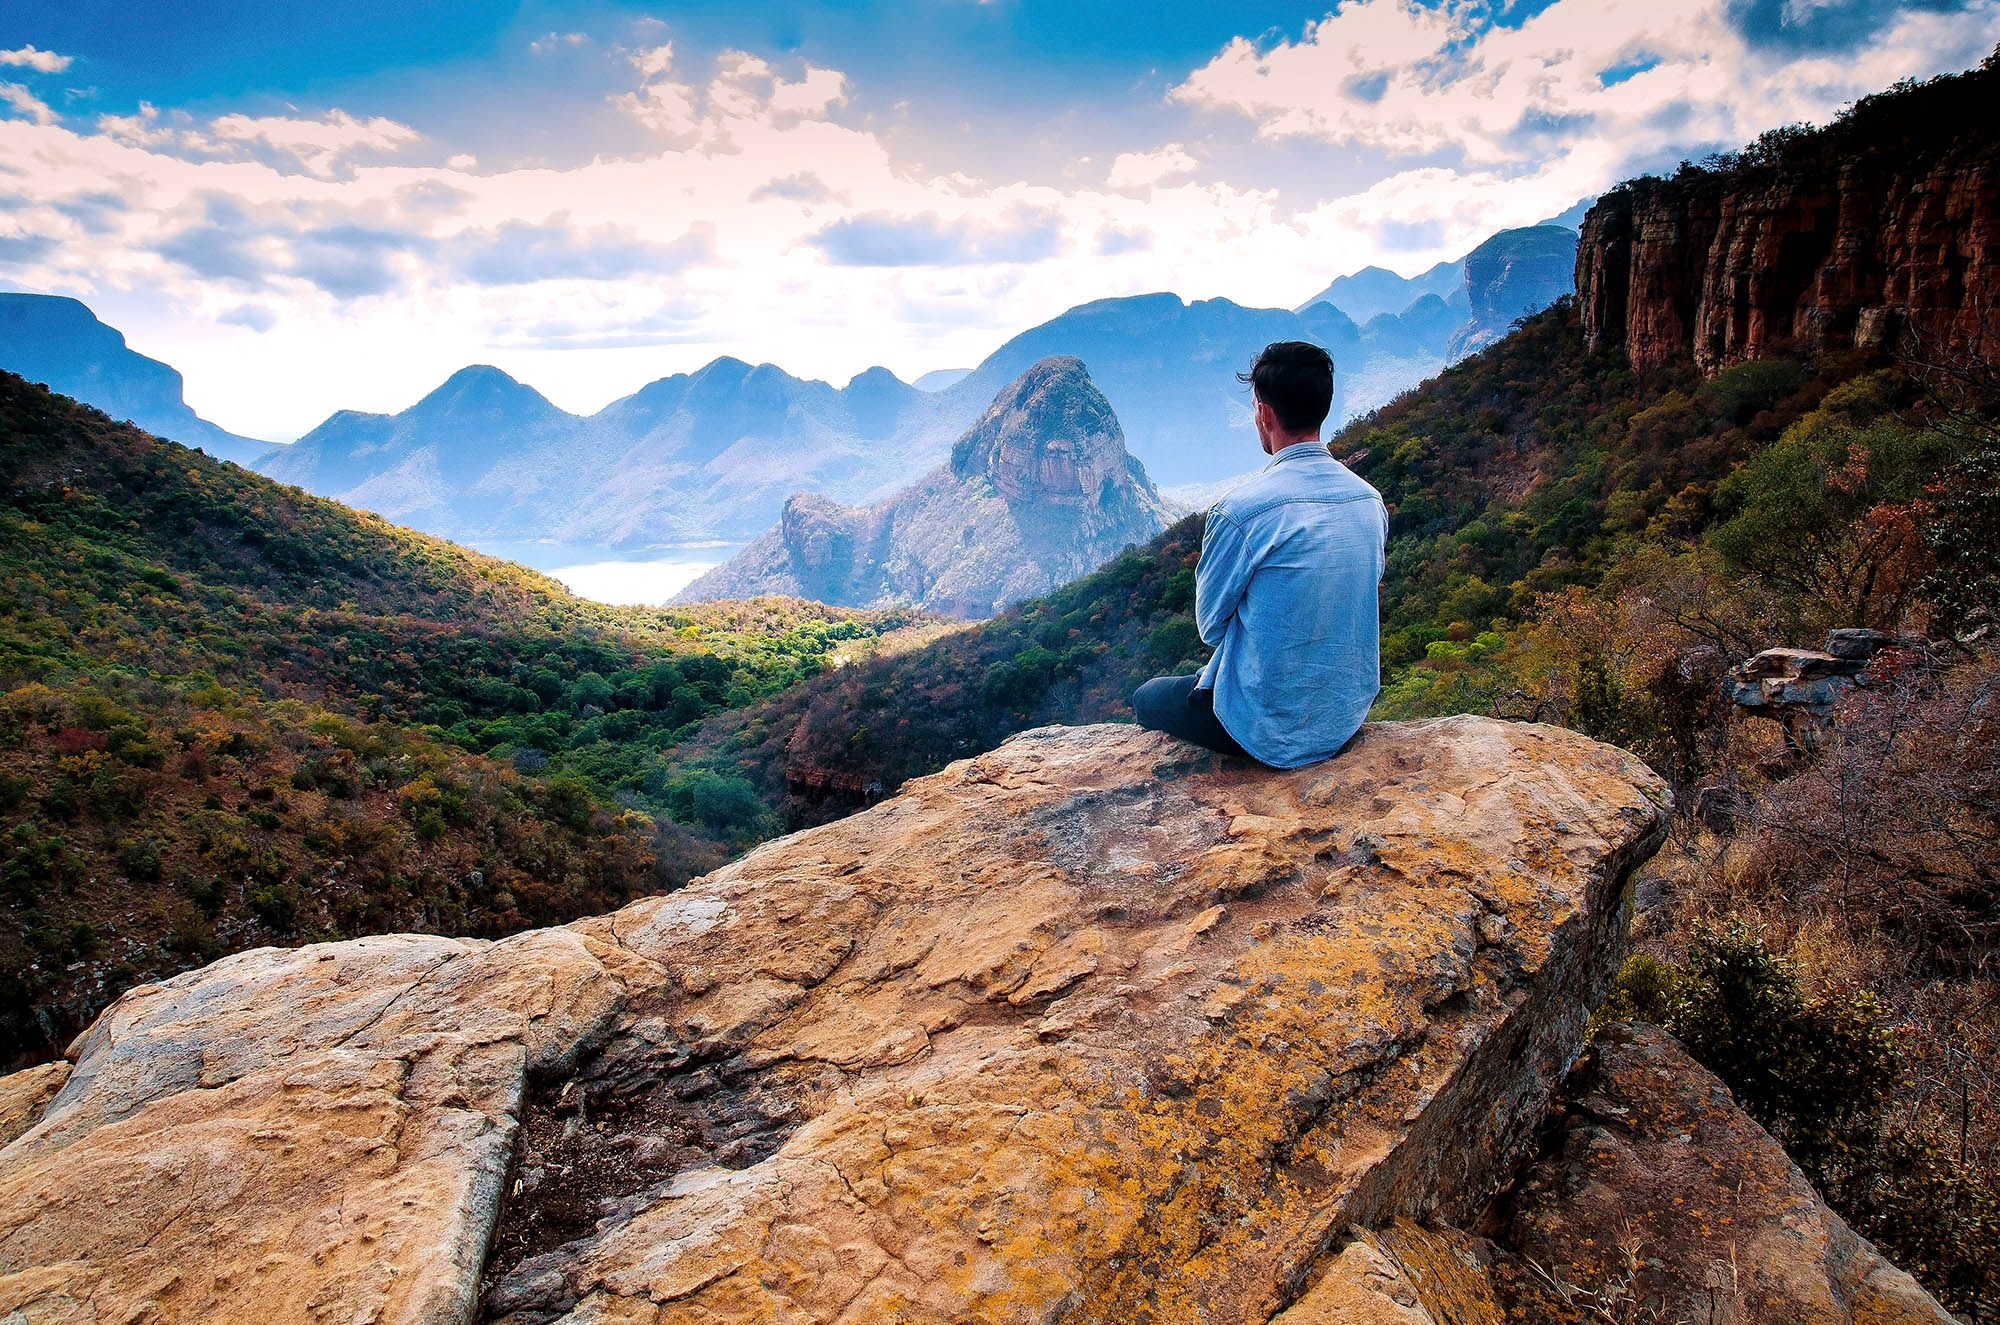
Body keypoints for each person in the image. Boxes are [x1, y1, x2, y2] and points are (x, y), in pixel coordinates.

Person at [1132, 341, 1387, 768]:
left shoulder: (1241, 512)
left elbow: (1211, 627)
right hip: (1342, 716)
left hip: (1266, 727)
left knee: (1148, 698)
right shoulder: (1369, 501)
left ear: (1265, 413)